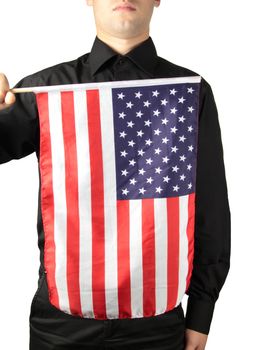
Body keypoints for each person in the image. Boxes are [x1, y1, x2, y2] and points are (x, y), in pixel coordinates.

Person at [0, 0, 231, 349]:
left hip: (157, 324)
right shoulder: (45, 91)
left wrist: (202, 312)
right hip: (60, 325)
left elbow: (210, 209)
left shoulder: (188, 91)